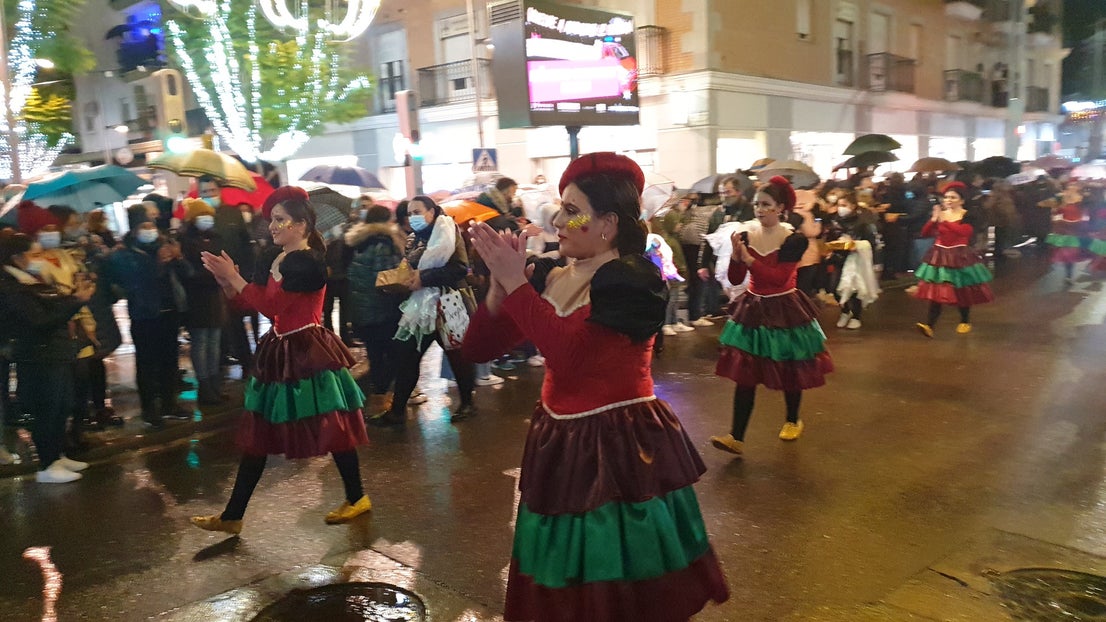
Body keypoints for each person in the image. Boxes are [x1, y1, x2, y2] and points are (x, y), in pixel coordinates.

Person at [464, 152, 728, 621]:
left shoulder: (633, 280)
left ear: (607, 223)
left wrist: (517, 286)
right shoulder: (552, 274)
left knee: (622, 577)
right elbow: (479, 348)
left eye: (572, 210)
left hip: (622, 446)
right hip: (560, 440)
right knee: (567, 578)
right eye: (561, 208)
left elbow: (573, 356)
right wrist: (499, 291)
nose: (558, 220)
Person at [191, 186, 370, 535]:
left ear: (301, 225)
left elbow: (273, 306)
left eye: (280, 220)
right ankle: (232, 515)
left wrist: (234, 277)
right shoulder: (274, 259)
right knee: (259, 432)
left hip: (307, 350)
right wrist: (226, 282)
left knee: (333, 428)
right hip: (281, 348)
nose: (272, 226)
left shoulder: (306, 262)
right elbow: (249, 303)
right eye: (272, 220)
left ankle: (358, 497)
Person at [710, 176, 833, 456]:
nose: (759, 209)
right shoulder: (745, 234)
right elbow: (735, 277)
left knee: (790, 367)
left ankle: (793, 419)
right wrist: (736, 257)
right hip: (753, 308)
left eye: (766, 204)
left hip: (784, 308)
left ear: (780, 207)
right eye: (756, 204)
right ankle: (736, 437)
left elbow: (778, 279)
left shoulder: (793, 239)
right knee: (746, 375)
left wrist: (750, 259)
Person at [372, 195, 478, 426]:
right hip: (421, 306)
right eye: (410, 213)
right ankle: (397, 410)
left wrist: (424, 278)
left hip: (449, 303)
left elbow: (460, 268)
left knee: (457, 355)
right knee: (407, 355)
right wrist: (398, 282)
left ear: (432, 212)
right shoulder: (413, 239)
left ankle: (468, 403)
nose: (413, 217)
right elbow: (409, 268)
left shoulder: (448, 232)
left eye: (418, 212)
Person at [0, 232, 95, 482]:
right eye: (35, 254)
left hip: (56, 352)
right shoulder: (10, 285)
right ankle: (47, 465)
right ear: (17, 258)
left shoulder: (33, 279)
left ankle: (57, 455)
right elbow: (39, 321)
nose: (40, 258)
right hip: (38, 356)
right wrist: (76, 302)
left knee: (62, 406)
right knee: (47, 409)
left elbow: (56, 305)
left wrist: (74, 295)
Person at [103, 206, 193, 428]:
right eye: (144, 226)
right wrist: (158, 265)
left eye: (151, 225)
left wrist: (178, 257)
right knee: (147, 363)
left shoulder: (165, 244)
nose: (150, 230)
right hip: (144, 316)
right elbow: (133, 283)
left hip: (169, 312)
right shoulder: (124, 254)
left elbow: (188, 273)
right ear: (134, 229)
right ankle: (150, 408)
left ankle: (169, 403)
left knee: (169, 361)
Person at [345, 204, 407, 417]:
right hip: (383, 309)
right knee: (393, 354)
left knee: (375, 353)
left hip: (362, 308)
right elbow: (388, 278)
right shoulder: (384, 243)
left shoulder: (356, 242)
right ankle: (380, 397)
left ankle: (377, 395)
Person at [913, 181, 994, 337]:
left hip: (959, 255)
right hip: (940, 255)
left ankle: (964, 320)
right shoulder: (942, 214)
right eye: (946, 197)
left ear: (962, 200)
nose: (948, 200)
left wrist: (944, 220)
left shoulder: (968, 215)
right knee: (938, 289)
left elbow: (964, 232)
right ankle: (929, 325)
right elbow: (925, 233)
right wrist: (934, 219)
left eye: (953, 197)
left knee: (961, 289)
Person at [179, 198, 228, 405]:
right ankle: (205, 387)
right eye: (202, 215)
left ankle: (214, 385)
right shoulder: (186, 241)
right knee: (201, 343)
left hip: (215, 298)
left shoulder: (215, 237)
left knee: (214, 344)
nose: (207, 219)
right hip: (197, 299)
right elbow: (189, 272)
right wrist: (216, 275)